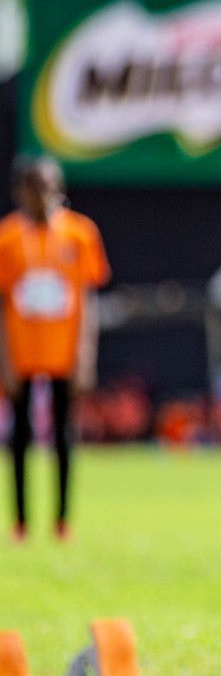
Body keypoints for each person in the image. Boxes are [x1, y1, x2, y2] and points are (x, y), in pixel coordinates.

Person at [0, 156, 110, 543]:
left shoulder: (80, 233)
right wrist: (6, 360)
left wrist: (86, 354)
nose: (41, 197)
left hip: (64, 347)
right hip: (24, 347)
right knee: (19, 436)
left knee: (64, 433)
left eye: (48, 188)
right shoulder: (7, 238)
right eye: (33, 189)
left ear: (59, 190)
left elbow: (87, 297)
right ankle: (20, 522)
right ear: (19, 193)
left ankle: (62, 521)